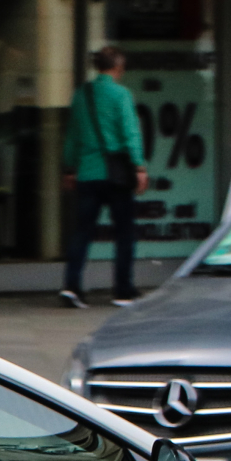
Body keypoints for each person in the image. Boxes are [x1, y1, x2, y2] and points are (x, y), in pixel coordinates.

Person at [60, 43, 150, 308]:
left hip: (87, 173)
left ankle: (71, 286)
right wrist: (140, 167)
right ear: (118, 67)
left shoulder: (81, 95)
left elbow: (72, 137)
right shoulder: (121, 95)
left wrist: (69, 168)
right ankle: (123, 290)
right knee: (124, 232)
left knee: (82, 232)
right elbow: (130, 132)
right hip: (116, 176)